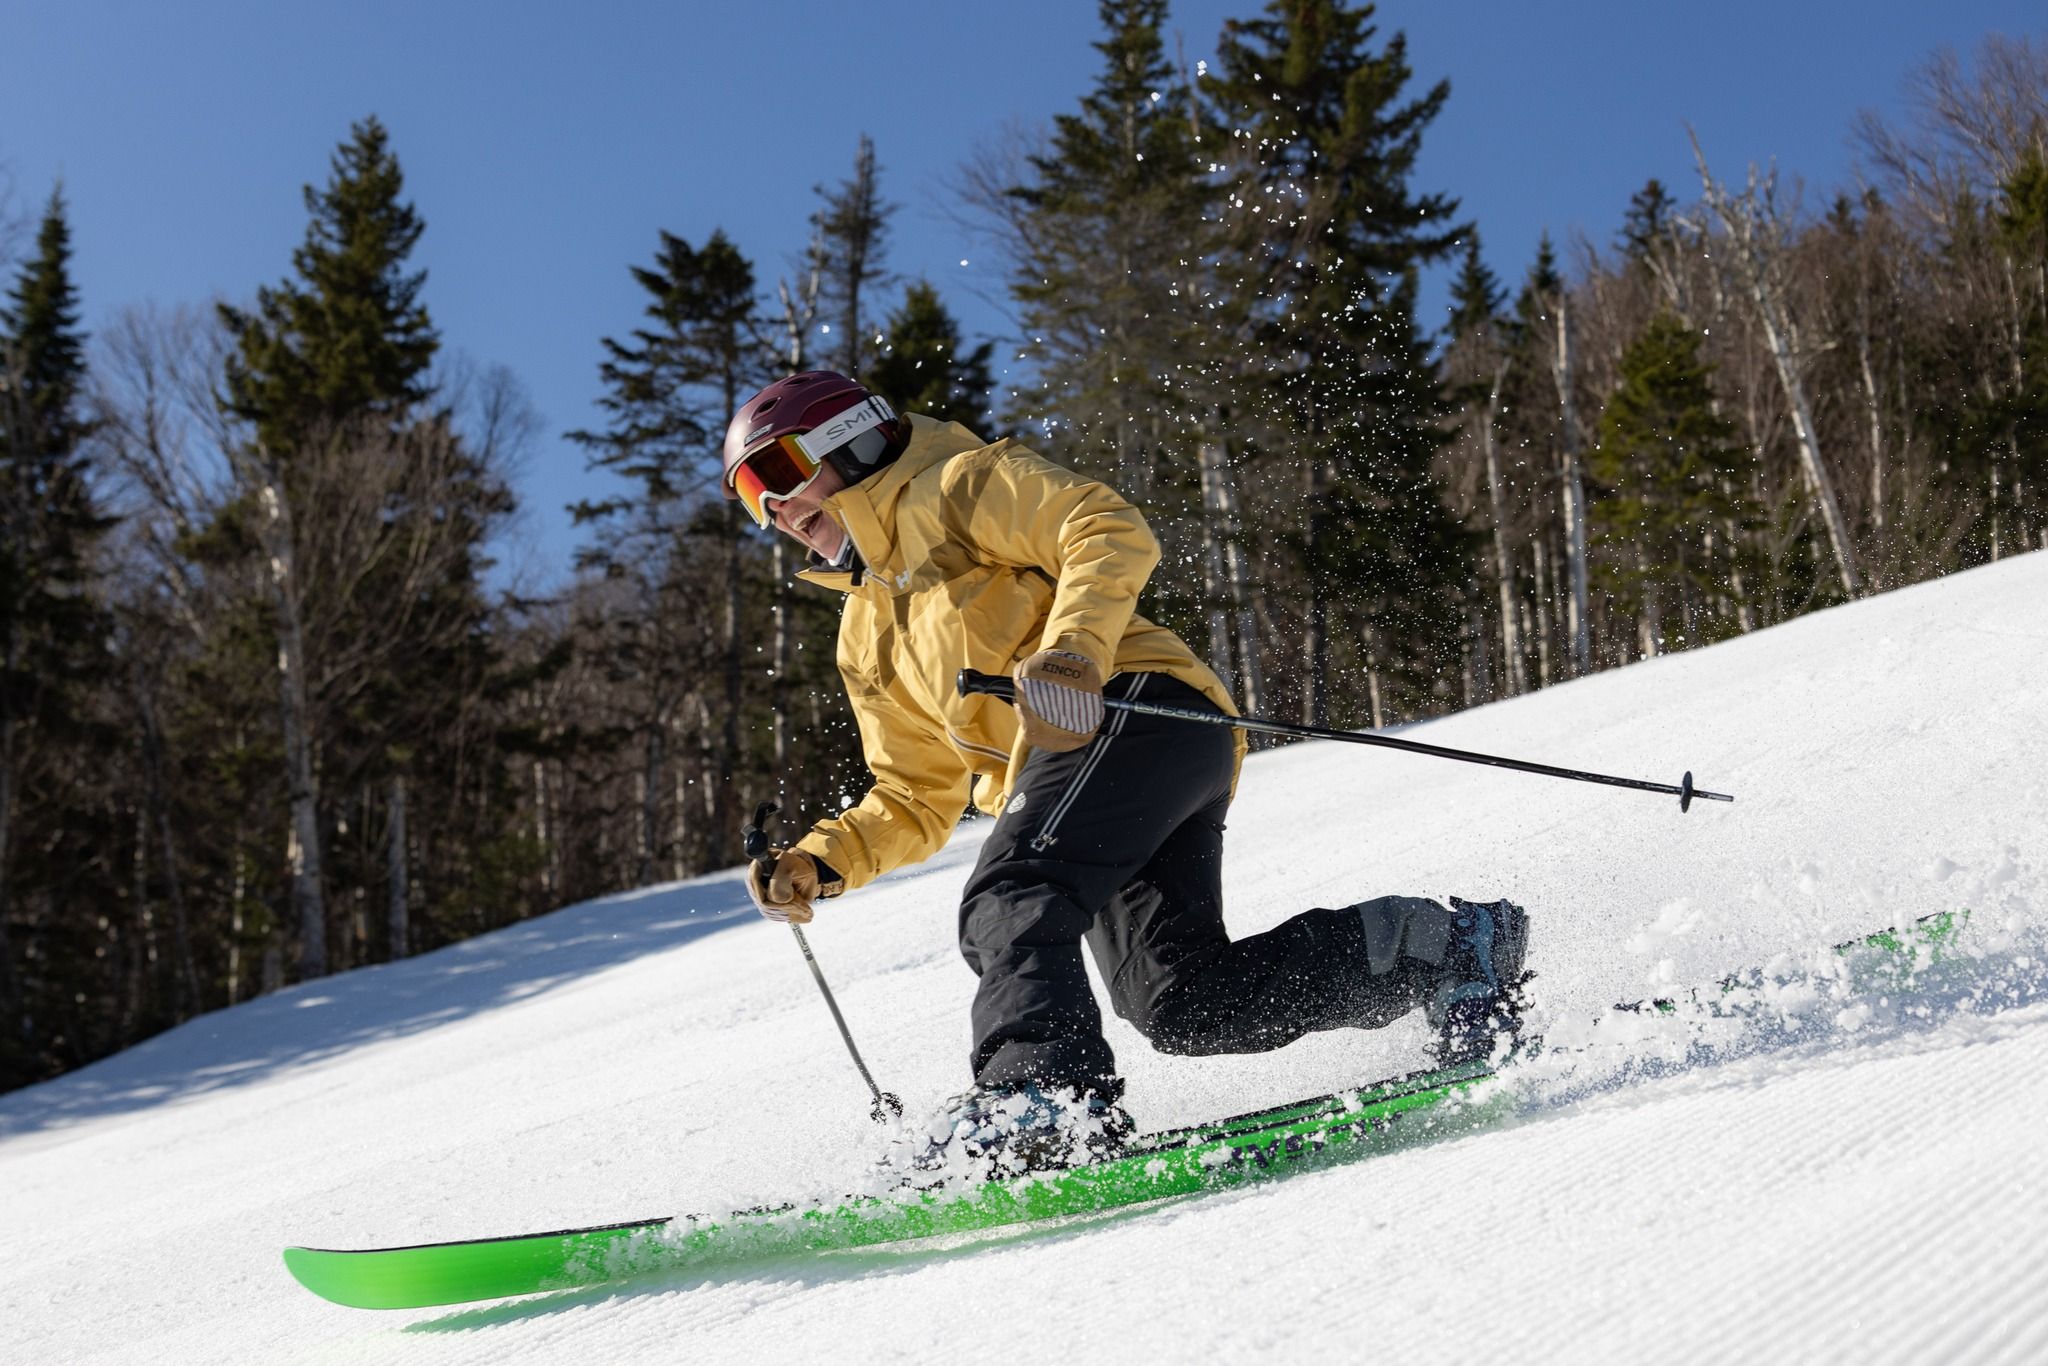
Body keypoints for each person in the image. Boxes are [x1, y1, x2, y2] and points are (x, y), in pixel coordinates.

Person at [724, 370, 1528, 1173]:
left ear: (851, 438)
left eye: (777, 474)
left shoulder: (956, 486)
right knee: (1183, 1001)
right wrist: (821, 859)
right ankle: (1448, 949)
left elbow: (1103, 525)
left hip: (1133, 708)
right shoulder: (865, 634)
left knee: (1012, 894)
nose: (776, 512)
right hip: (1078, 776)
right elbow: (915, 792)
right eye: (752, 499)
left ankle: (1042, 1099)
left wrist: (1072, 650)